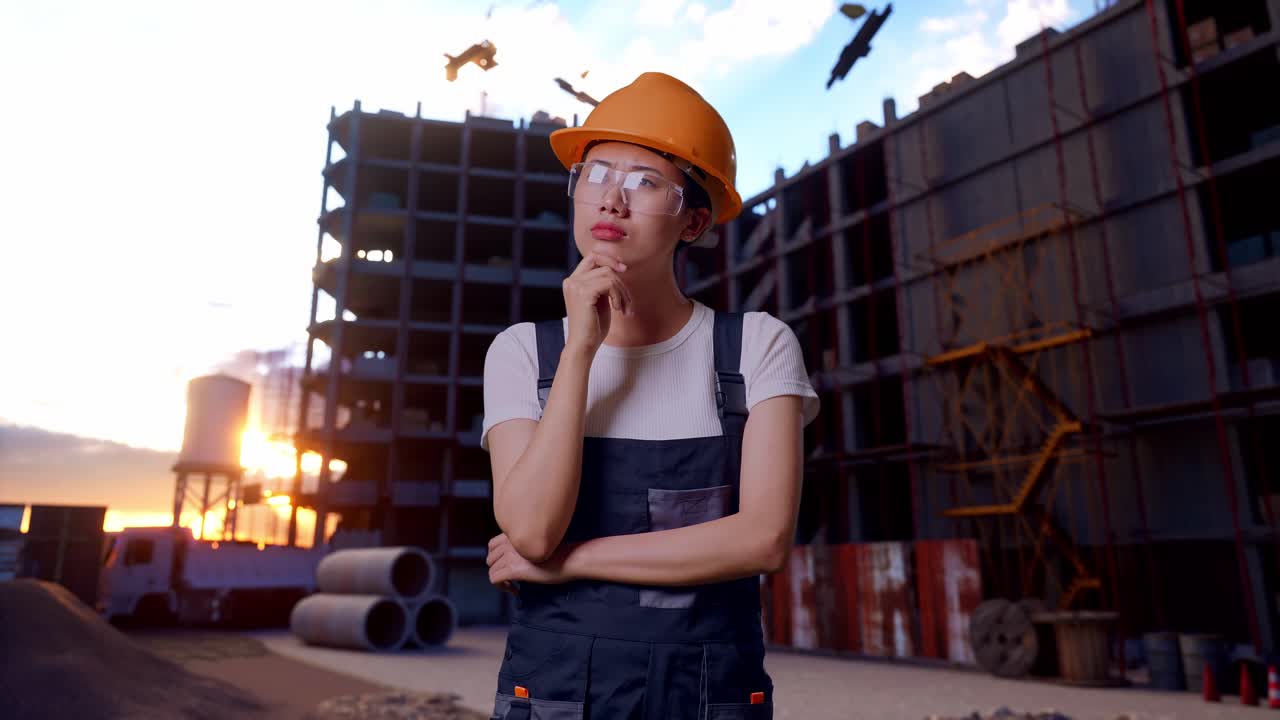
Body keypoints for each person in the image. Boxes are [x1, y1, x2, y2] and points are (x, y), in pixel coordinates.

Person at [481, 71, 819, 719]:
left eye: (645, 183)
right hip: (555, 694)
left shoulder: (755, 349)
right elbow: (528, 530)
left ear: (693, 221)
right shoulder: (525, 352)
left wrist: (572, 562)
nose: (612, 200)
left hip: (706, 694)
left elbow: (764, 540)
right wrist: (580, 351)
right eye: (597, 174)